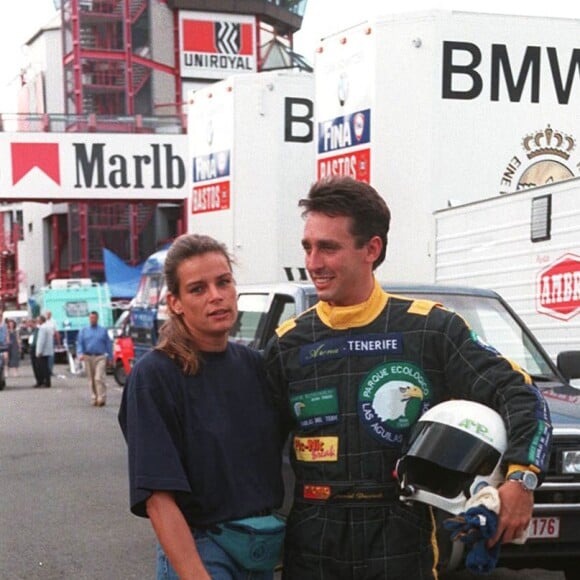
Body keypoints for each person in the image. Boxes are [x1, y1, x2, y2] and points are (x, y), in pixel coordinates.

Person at [263, 176, 553, 580]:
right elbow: (247, 450)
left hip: (401, 533)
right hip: (313, 537)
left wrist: (521, 481)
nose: (313, 262)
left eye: (328, 247)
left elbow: (519, 393)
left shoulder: (430, 330)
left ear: (372, 249)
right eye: (308, 247)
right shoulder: (288, 344)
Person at [118, 233, 285, 580]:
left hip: (260, 549)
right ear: (175, 302)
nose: (216, 296)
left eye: (223, 282)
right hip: (203, 551)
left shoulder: (255, 366)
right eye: (198, 289)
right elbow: (158, 499)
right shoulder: (156, 376)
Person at [76, 311, 112, 407]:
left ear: (97, 318)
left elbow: (108, 344)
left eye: (94, 318)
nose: (92, 320)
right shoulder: (84, 331)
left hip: (100, 356)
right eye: (91, 318)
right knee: (91, 379)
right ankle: (94, 397)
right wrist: (80, 353)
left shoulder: (103, 331)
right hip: (88, 356)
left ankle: (101, 397)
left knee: (98, 378)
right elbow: (80, 343)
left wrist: (111, 357)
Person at [35, 314, 54, 388]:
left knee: (43, 367)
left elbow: (41, 341)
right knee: (45, 366)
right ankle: (47, 381)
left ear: (41, 320)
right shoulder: (48, 327)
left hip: (43, 351)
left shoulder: (42, 328)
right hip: (48, 350)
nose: (37, 321)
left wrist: (39, 351)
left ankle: (46, 382)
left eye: (38, 320)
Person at [43, 310, 61, 375]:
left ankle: (50, 370)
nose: (48, 315)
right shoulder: (43, 321)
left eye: (49, 314)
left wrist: (59, 343)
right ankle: (45, 370)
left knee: (51, 356)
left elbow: (56, 332)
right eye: (47, 314)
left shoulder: (53, 321)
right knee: (44, 355)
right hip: (44, 340)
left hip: (51, 339)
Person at [28, 318, 43, 388]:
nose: (29, 325)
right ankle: (38, 381)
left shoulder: (38, 330)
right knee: (34, 366)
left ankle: (40, 381)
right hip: (32, 348)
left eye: (30, 323)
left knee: (38, 366)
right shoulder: (32, 330)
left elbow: (37, 341)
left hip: (36, 349)